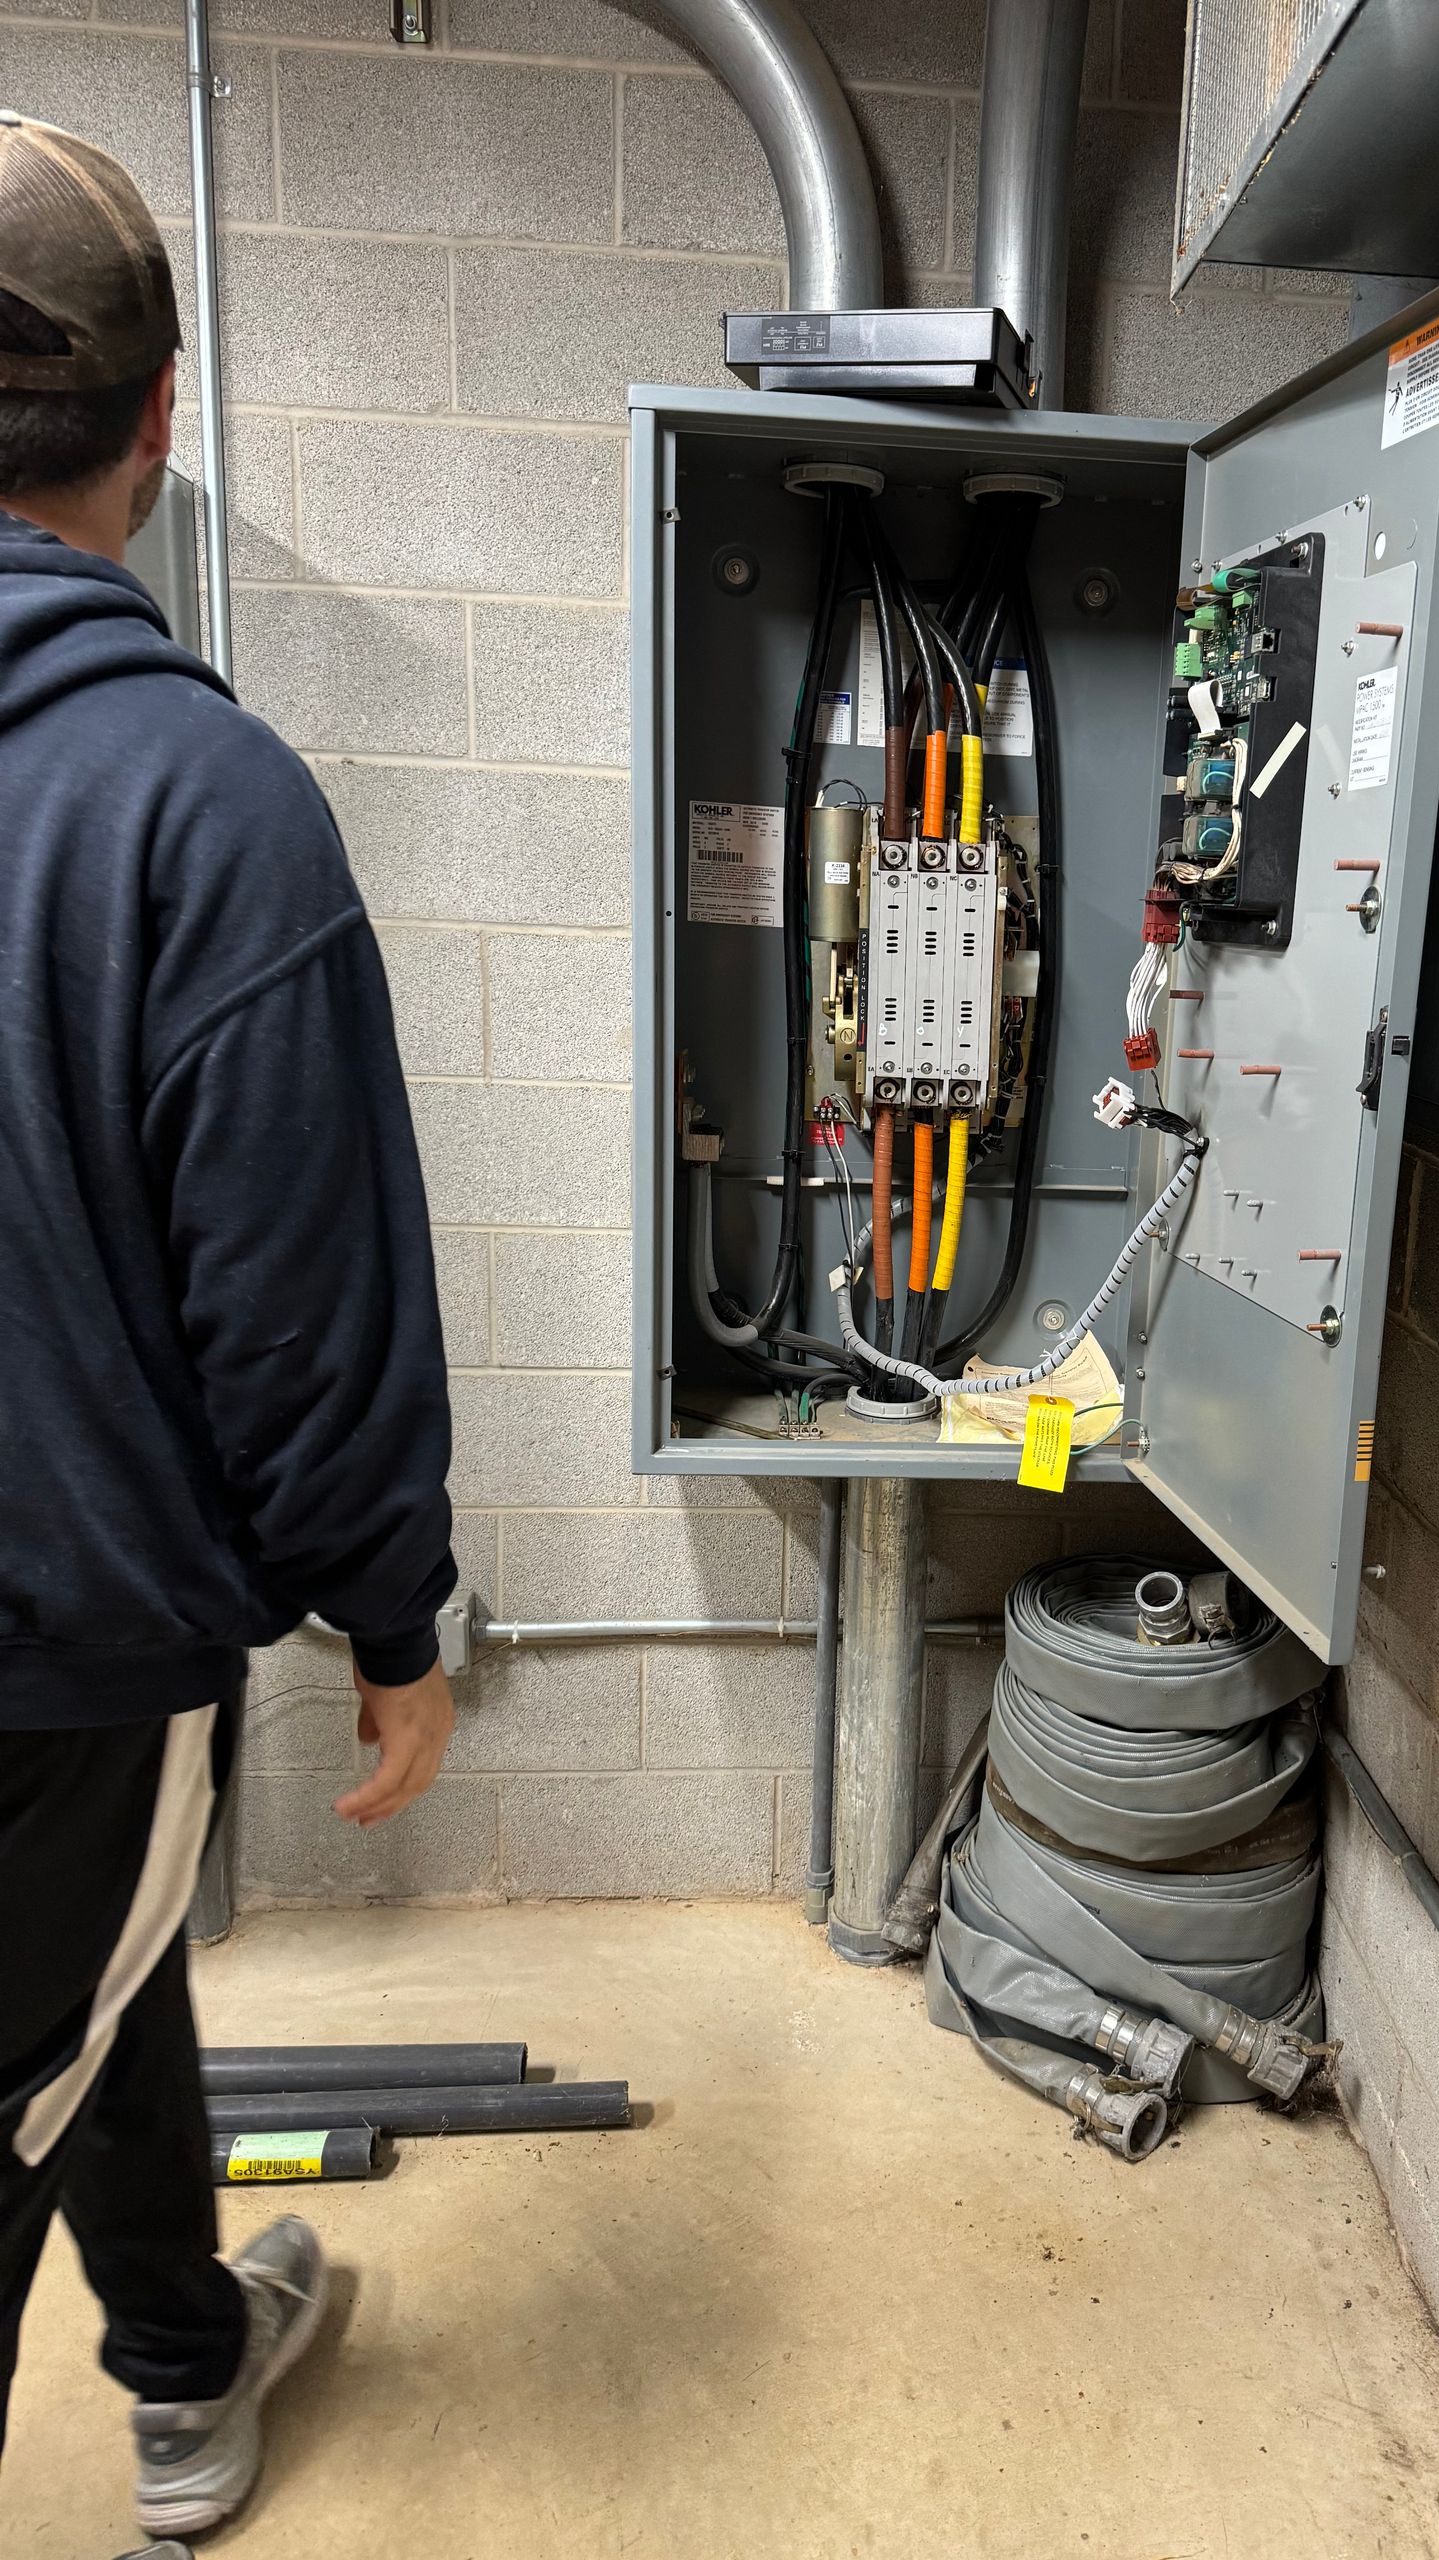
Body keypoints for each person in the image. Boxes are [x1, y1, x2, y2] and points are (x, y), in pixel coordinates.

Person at [0, 111, 459, 2538]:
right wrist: (389, 1611)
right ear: (160, 416)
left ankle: (186, 2356)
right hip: (58, 1658)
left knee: (109, 1962)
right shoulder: (200, 801)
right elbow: (299, 1299)